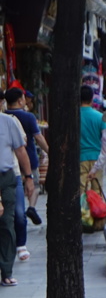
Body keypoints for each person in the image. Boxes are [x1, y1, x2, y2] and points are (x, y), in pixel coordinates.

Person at [0, 102, 35, 285]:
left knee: (7, 221)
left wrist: (28, 177)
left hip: (5, 176)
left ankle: (6, 270)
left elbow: (20, 151)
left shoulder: (8, 122)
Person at [5, 87, 45, 234]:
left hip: (11, 161)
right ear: (20, 100)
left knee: (15, 188)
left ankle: (17, 210)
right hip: (28, 157)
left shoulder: (4, 117)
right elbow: (38, 138)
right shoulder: (28, 117)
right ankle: (31, 207)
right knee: (33, 184)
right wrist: (49, 150)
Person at [79, 85, 105, 196]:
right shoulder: (100, 117)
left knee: (81, 189)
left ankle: (82, 212)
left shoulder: (74, 116)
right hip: (97, 158)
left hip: (80, 158)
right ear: (92, 98)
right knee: (97, 190)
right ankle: (96, 212)